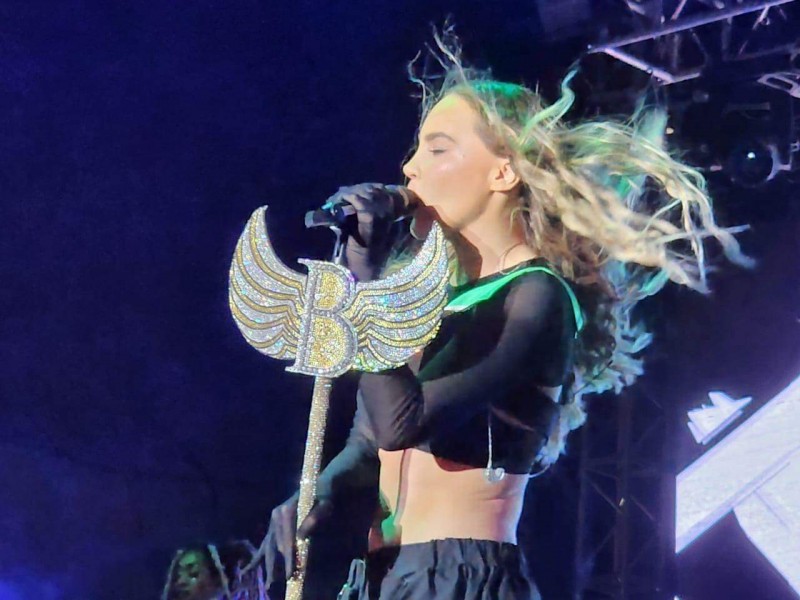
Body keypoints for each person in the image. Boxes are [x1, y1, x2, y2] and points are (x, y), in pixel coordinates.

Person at [260, 29, 753, 599]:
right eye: (416, 150)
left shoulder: (536, 296)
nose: (410, 168)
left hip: (460, 575)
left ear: (503, 172)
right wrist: (319, 492)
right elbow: (372, 442)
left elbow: (405, 422)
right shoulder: (434, 300)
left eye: (437, 149)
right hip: (382, 575)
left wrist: (365, 282)